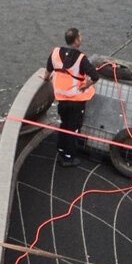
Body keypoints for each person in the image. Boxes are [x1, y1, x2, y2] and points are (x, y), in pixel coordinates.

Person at [45, 27, 99, 166]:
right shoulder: (81, 58)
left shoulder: (55, 53)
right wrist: (86, 85)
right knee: (73, 128)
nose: (81, 39)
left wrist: (46, 79)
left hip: (61, 98)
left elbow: (48, 71)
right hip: (76, 100)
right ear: (76, 41)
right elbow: (95, 76)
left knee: (64, 124)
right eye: (80, 37)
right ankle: (69, 157)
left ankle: (61, 149)